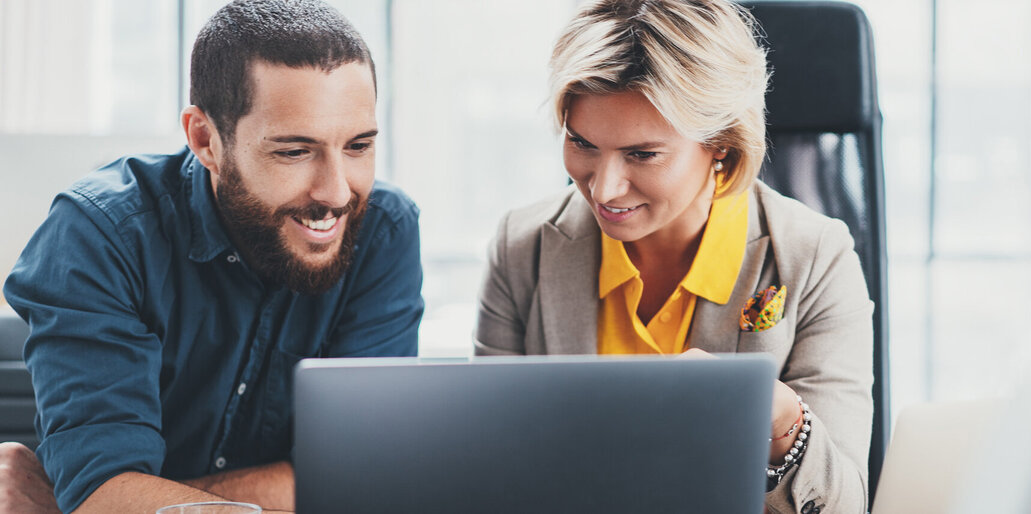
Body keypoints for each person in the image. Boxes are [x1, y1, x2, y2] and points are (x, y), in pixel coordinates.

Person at [0, 0, 423, 512]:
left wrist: (140, 501)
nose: (336, 192)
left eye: (358, 146)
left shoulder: (381, 229)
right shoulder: (98, 234)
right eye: (294, 151)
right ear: (205, 139)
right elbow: (103, 492)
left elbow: (366, 476)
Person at [473, 1, 873, 512]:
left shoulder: (816, 258)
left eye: (642, 154)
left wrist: (779, 421)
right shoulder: (522, 246)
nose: (605, 188)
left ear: (721, 144)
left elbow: (842, 506)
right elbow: (489, 472)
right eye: (582, 143)